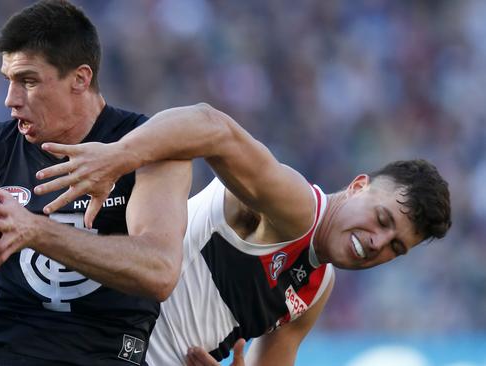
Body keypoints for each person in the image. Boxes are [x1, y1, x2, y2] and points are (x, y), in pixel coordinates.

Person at [33, 103, 452, 366]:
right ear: (359, 186)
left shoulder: (317, 288)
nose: (378, 243)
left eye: (396, 246)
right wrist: (119, 156)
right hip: (87, 346)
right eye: (382, 219)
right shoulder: (296, 209)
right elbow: (212, 125)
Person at [0, 1, 191, 365]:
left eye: (28, 81)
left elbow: (160, 272)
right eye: (8, 81)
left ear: (80, 79)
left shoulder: (147, 145)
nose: (10, 100)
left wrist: (34, 230)